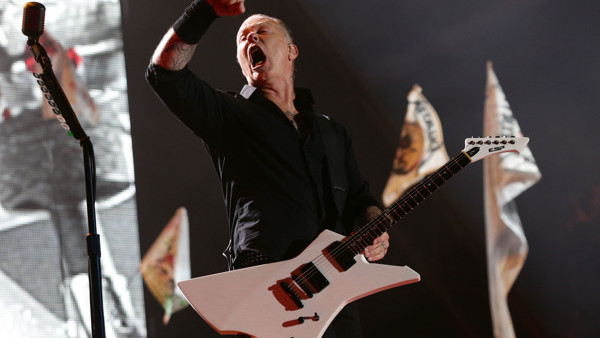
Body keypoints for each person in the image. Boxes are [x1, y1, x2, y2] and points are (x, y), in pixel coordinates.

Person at [146, 0, 390, 336]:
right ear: (242, 64)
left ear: (291, 51)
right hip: (268, 291)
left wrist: (374, 228)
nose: (249, 39)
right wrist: (205, 10)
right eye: (242, 39)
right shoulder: (230, 115)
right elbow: (164, 74)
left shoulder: (331, 133)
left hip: (337, 293)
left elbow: (360, 200)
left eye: (261, 31)